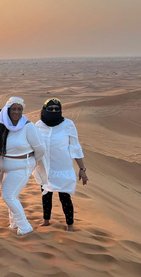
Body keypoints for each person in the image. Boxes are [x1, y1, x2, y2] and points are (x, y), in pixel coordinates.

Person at [0, 97, 45, 235]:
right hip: (4, 166)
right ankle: (14, 223)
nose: (16, 112)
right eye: (14, 109)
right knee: (12, 195)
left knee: (8, 196)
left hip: (22, 166)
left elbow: (40, 148)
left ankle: (25, 226)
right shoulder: (1, 125)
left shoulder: (28, 126)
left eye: (19, 109)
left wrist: (31, 162)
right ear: (8, 110)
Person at [35, 98, 88, 231]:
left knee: (65, 197)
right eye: (50, 109)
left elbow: (75, 147)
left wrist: (82, 169)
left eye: (57, 109)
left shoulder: (68, 125)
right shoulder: (38, 125)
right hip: (45, 168)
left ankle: (70, 225)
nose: (54, 111)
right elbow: (33, 146)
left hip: (62, 168)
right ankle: (46, 220)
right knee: (46, 196)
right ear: (44, 110)